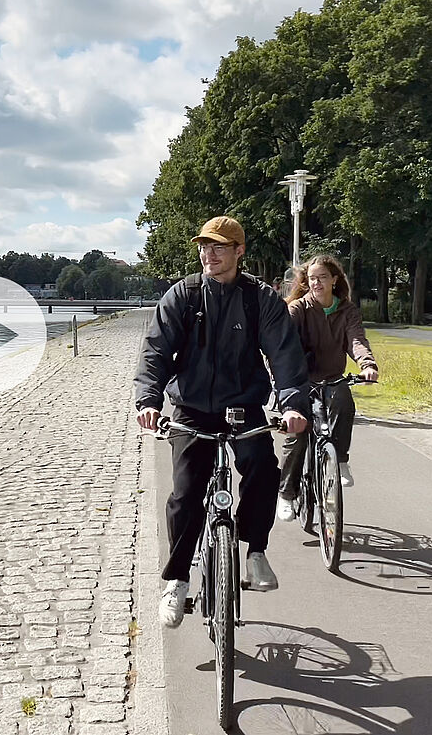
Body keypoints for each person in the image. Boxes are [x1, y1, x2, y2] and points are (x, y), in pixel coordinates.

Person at [134, 216, 309, 629]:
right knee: (186, 492)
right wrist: (148, 400)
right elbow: (156, 351)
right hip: (192, 407)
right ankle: (176, 580)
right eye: (203, 248)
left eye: (218, 248)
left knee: (263, 468)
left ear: (239, 251)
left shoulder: (259, 299)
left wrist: (292, 405)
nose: (208, 255)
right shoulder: (184, 296)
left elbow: (284, 356)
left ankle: (255, 552)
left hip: (242, 405)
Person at [276, 254, 379, 521]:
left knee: (344, 400)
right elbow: (283, 341)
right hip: (300, 380)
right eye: (311, 278)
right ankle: (287, 494)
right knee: (298, 433)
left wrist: (367, 364)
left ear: (334, 279)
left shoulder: (347, 311)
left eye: (322, 277)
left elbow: (356, 340)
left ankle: (340, 460)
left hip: (332, 377)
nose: (316, 283)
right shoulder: (298, 309)